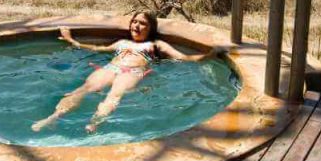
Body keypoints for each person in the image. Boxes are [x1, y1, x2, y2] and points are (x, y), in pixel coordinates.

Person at [31, 10, 224, 133]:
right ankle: (52, 118)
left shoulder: (156, 44)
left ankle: (95, 123)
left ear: (151, 28)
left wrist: (208, 55)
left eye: (142, 24)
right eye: (134, 22)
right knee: (83, 89)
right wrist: (71, 39)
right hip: (110, 68)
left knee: (114, 95)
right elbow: (96, 49)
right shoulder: (121, 43)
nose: (136, 26)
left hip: (132, 72)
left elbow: (182, 58)